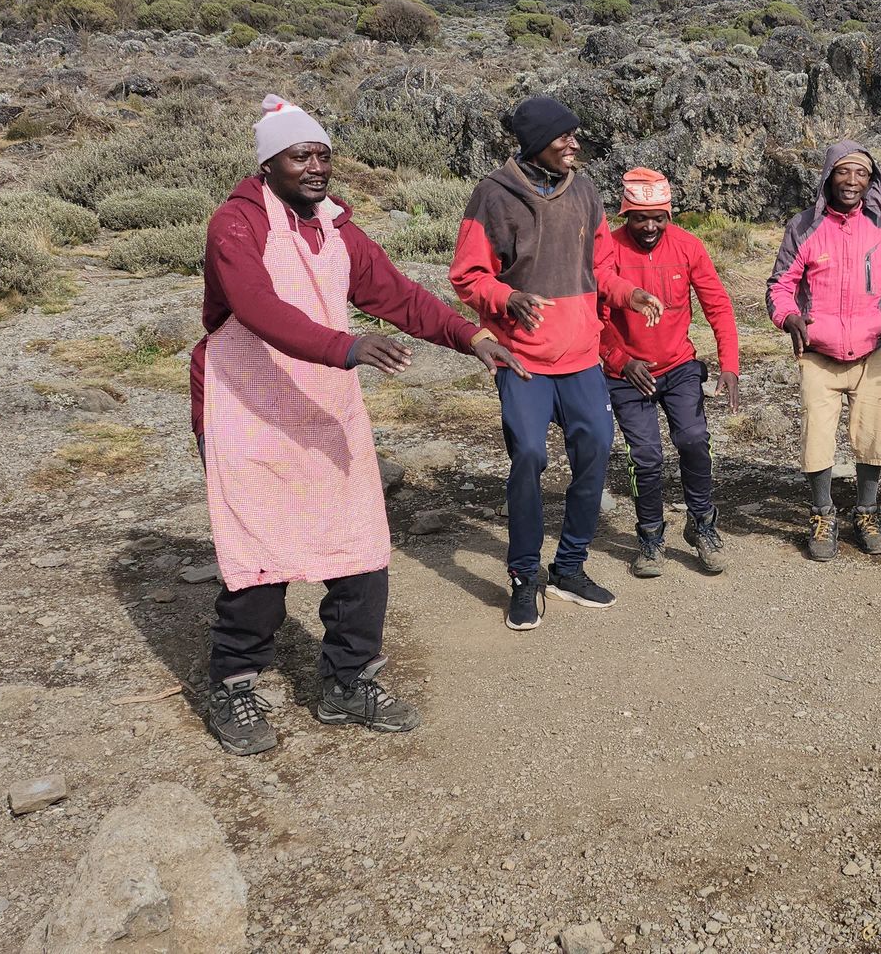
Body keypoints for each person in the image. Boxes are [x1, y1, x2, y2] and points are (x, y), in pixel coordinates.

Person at [192, 95, 522, 756]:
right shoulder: (236, 223)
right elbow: (254, 306)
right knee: (260, 545)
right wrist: (345, 347)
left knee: (359, 538)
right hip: (247, 406)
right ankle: (233, 681)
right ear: (269, 162)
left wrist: (469, 336)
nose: (316, 167)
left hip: (322, 402)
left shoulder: (337, 227)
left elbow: (395, 294)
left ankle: (348, 680)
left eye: (323, 155)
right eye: (300, 155)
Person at [450, 95, 663, 631]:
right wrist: (506, 299)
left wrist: (628, 295)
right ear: (533, 142)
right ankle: (525, 577)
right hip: (522, 359)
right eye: (562, 136)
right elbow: (467, 275)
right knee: (528, 460)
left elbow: (599, 270)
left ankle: (569, 568)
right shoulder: (492, 197)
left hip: (582, 356)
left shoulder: (585, 191)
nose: (574, 144)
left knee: (593, 453)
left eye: (575, 134)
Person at [766, 141, 881, 561]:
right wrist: (788, 317)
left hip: (871, 353)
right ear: (828, 176)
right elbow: (779, 285)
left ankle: (866, 513)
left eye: (861, 174)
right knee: (817, 436)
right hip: (818, 353)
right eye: (843, 172)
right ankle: (821, 514)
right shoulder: (803, 227)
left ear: (871, 181)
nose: (851, 181)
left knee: (873, 434)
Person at [597, 167, 741, 577]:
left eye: (658, 217)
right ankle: (650, 537)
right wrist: (621, 361)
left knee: (694, 439)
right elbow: (595, 318)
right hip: (627, 372)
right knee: (645, 456)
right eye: (640, 217)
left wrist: (729, 364)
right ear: (626, 214)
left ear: (669, 214)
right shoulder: (607, 249)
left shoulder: (689, 246)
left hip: (679, 365)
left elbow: (718, 306)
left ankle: (702, 525)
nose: (649, 226)